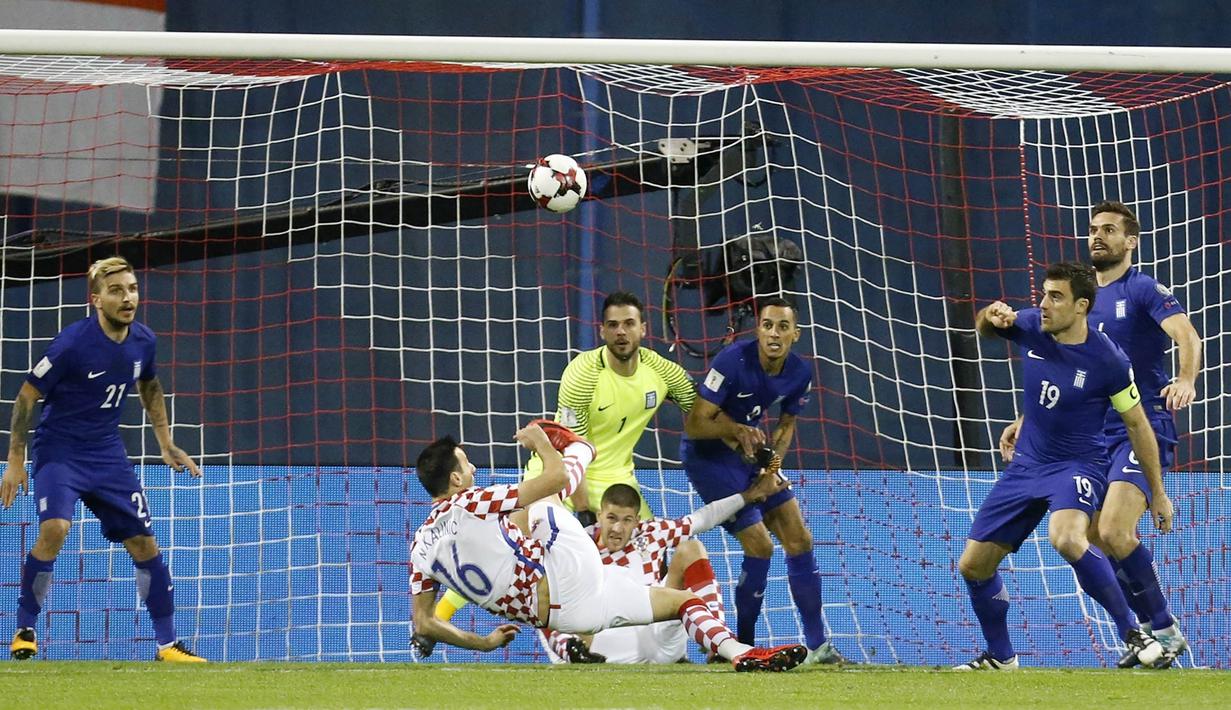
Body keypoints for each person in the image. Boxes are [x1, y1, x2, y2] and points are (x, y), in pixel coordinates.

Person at [408, 420, 807, 672]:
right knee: (543, 498)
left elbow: (424, 622)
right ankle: (583, 449)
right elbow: (551, 482)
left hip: (571, 615)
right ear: (456, 481)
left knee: (682, 600)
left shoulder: (419, 550)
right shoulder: (470, 501)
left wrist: (484, 643)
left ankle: (739, 652)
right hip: (569, 579)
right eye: (467, 464)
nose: (475, 469)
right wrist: (543, 445)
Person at [998, 202, 1199, 668]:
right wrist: (1026, 420)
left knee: (1113, 529)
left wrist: (1185, 379)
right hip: (1086, 435)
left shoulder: (1143, 289)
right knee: (1091, 538)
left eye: (1109, 230)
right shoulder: (1076, 299)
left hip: (1140, 425)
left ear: (1131, 241)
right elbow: (1063, 370)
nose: (1097, 236)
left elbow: (1187, 336)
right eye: (1093, 229)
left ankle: (1164, 628)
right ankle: (1148, 630)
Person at [429, 291, 697, 626]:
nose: (621, 332)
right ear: (602, 331)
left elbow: (702, 412)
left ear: (644, 327)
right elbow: (573, 446)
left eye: (629, 324)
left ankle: (671, 638)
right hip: (560, 473)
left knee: (649, 558)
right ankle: (437, 619)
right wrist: (582, 508)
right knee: (510, 554)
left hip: (617, 482)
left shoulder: (663, 372)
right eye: (613, 325)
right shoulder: (583, 373)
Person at [956, 261, 1170, 670]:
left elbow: (1138, 424)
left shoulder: (1108, 360)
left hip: (1077, 466)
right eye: (1043, 295)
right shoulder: (1035, 325)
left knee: (1068, 538)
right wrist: (991, 314)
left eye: (1055, 297)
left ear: (1081, 307)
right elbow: (986, 328)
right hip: (1025, 466)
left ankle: (1134, 632)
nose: (1043, 304)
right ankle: (1001, 657)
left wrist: (1157, 492)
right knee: (973, 566)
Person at [1, 256, 205, 662]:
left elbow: (149, 385)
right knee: (55, 528)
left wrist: (165, 443)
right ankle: (24, 631)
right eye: (116, 290)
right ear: (96, 299)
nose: (128, 298)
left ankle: (168, 646)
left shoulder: (144, 340)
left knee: (144, 542)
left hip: (107, 455)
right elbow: (27, 395)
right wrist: (15, 460)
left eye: (132, 289)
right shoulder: (73, 343)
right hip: (60, 450)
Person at [681, 296, 847, 665]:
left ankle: (819, 647)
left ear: (795, 334)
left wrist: (770, 471)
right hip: (709, 458)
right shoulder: (731, 361)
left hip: (749, 455)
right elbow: (695, 422)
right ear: (757, 330)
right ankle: (742, 648)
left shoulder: (799, 373)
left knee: (799, 538)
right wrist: (738, 429)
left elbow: (786, 426)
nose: (774, 333)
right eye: (768, 325)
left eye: (782, 327)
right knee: (760, 547)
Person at [542, 475, 776, 664]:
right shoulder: (579, 544)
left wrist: (747, 496)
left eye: (626, 520)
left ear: (636, 521)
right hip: (602, 645)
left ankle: (717, 644)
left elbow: (703, 519)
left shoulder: (651, 533)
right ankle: (571, 652)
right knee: (551, 581)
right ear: (599, 515)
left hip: (656, 637)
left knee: (691, 548)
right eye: (611, 517)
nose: (617, 528)